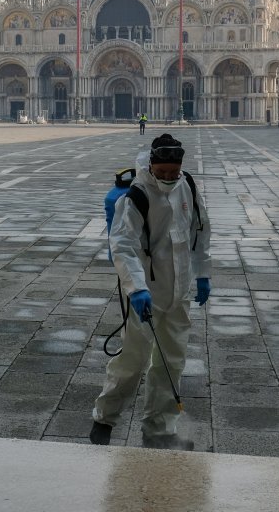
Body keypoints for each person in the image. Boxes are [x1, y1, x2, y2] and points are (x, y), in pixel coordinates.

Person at [90, 134, 211, 450]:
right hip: (147, 293)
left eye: (175, 172)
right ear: (152, 167)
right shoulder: (135, 197)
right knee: (132, 361)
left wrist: (203, 275)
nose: (170, 178)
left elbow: (200, 232)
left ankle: (160, 429)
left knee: (171, 363)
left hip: (179, 292)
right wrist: (137, 289)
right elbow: (123, 245)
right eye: (164, 172)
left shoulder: (188, 187)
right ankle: (103, 419)